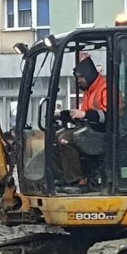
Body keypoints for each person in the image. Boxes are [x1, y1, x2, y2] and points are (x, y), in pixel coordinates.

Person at [53, 57, 109, 190]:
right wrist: (63, 115)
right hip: (90, 130)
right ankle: (64, 177)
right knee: (54, 137)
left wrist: (85, 114)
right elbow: (82, 114)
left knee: (65, 139)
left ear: (89, 75)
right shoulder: (89, 91)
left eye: (80, 77)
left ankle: (78, 181)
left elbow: (110, 115)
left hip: (103, 133)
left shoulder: (106, 88)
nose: (79, 81)